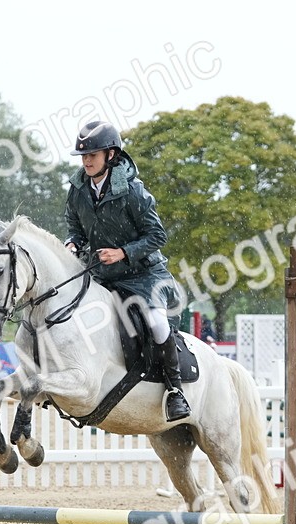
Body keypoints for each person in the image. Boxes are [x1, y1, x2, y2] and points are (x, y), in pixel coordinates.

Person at [63, 120, 190, 422]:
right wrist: (71, 243)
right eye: (84, 155)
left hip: (143, 275)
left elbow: (157, 236)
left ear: (111, 155)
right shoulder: (78, 190)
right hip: (104, 276)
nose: (87, 160)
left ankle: (175, 391)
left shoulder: (133, 191)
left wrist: (123, 253)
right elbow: (75, 228)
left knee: (157, 322)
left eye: (93, 154)